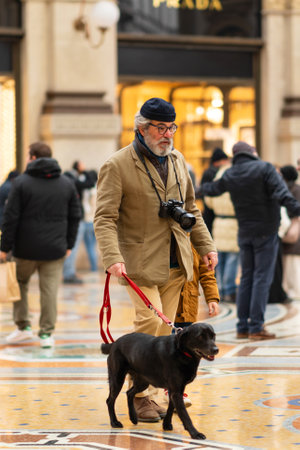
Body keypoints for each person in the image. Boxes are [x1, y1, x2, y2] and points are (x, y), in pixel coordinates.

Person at [94, 97, 218, 423]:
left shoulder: (177, 159)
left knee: (166, 331)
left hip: (176, 262)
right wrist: (112, 257)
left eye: (171, 128)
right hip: (138, 261)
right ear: (142, 127)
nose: (167, 134)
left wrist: (206, 246)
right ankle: (141, 398)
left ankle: (166, 387)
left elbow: (191, 209)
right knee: (149, 324)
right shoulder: (117, 165)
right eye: (160, 128)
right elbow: (104, 217)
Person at [201, 141, 300, 340]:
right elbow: (282, 194)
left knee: (246, 278)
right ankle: (256, 327)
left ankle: (242, 326)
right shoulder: (265, 168)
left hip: (244, 232)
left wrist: (189, 191)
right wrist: (296, 209)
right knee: (262, 279)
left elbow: (211, 189)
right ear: (252, 152)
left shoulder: (230, 173)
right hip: (266, 231)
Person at [0, 142, 81, 348]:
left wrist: (4, 247)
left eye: (28, 156)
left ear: (34, 158)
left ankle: (23, 327)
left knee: (20, 284)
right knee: (49, 290)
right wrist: (69, 243)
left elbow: (11, 217)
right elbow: (75, 216)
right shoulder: (66, 183)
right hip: (55, 249)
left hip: (25, 248)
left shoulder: (21, 183)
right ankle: (46, 334)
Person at [204, 162, 240, 303]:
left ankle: (220, 288)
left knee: (220, 259)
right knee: (232, 258)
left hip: (219, 222)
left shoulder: (217, 180)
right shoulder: (235, 181)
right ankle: (229, 290)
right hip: (233, 222)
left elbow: (209, 201)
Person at [63, 161, 96, 283]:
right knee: (73, 247)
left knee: (72, 247)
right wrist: (84, 171)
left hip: (72, 219)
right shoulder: (74, 180)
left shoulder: (67, 180)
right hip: (78, 219)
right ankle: (69, 273)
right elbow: (90, 183)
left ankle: (68, 272)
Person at [196, 147, 229, 234]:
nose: (226, 162)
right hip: (211, 210)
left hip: (212, 210)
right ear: (218, 161)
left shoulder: (212, 172)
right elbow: (205, 192)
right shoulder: (212, 173)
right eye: (224, 160)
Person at [280, 165, 300, 299]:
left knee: (291, 262)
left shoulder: (289, 189)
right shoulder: (294, 188)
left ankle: (294, 291)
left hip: (291, 228)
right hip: (292, 228)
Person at [82, 170, 99, 272]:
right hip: (96, 221)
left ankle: (94, 268)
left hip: (88, 221)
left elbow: (86, 206)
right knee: (94, 246)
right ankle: (94, 267)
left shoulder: (89, 191)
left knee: (90, 247)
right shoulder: (99, 189)